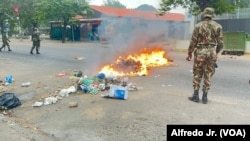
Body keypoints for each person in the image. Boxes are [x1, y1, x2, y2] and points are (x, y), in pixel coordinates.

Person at [186, 7, 224, 104]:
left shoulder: (198, 26)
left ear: (204, 15)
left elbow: (193, 41)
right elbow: (221, 44)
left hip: (200, 51)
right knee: (208, 74)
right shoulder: (218, 26)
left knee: (197, 73)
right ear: (212, 15)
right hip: (211, 52)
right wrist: (216, 52)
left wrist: (189, 53)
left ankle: (195, 95)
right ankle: (205, 97)